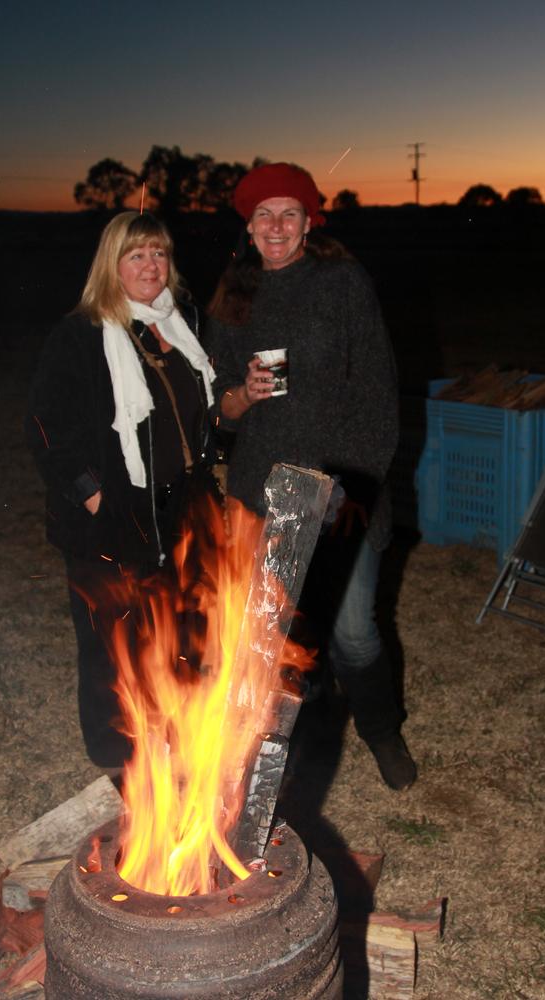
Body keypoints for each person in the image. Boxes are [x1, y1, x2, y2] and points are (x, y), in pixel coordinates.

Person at [205, 162, 416, 791]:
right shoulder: (231, 300)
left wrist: (349, 486)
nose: (276, 225)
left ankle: (382, 730)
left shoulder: (342, 283)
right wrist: (241, 394)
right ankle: (268, 761)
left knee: (353, 633)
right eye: (263, 214)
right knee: (266, 638)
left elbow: (378, 394)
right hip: (259, 491)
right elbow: (216, 407)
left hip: (340, 490)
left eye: (288, 213)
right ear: (248, 224)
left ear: (308, 222)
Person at [26, 211, 217, 774]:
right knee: (110, 639)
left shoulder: (178, 326)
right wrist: (93, 497)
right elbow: (44, 427)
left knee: (176, 625)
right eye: (136, 255)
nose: (150, 266)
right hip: (108, 514)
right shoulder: (81, 334)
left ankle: (175, 731)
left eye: (158, 254)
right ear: (111, 266)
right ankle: (114, 756)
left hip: (176, 504)